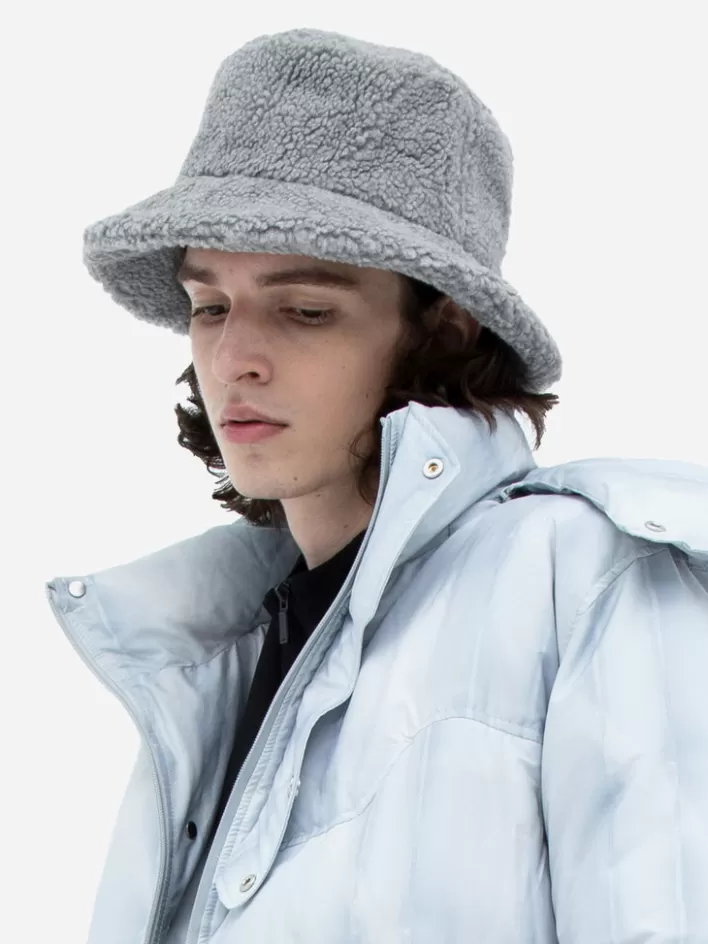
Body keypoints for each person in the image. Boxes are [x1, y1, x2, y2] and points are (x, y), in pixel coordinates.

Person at [45, 27, 708, 944]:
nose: (233, 359)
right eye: (210, 306)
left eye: (305, 310)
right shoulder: (214, 659)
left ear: (445, 329)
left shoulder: (583, 576)